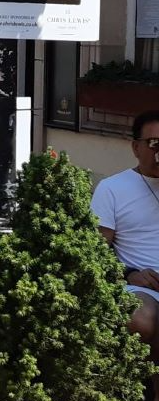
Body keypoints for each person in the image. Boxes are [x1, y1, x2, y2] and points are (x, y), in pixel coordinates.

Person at [94, 110, 159, 395]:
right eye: (154, 143)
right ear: (136, 147)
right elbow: (96, 252)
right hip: (140, 285)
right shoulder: (113, 189)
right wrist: (128, 273)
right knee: (143, 318)